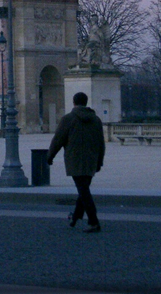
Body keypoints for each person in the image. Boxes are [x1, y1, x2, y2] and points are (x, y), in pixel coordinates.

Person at [46, 92, 105, 233]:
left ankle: (93, 221)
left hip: (75, 159)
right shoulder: (96, 119)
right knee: (83, 190)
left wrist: (50, 156)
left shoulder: (68, 119)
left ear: (73, 102)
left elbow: (58, 140)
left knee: (84, 191)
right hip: (91, 159)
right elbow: (101, 143)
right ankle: (76, 216)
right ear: (86, 102)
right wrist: (99, 161)